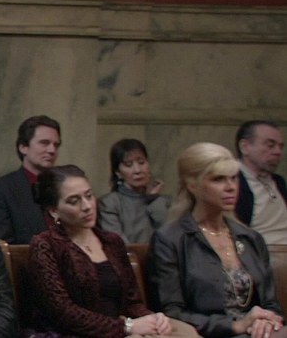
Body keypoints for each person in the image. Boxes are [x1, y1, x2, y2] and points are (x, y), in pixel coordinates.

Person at [24, 164, 197, 338]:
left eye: (89, 196)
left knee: (184, 331)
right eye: (74, 201)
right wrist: (126, 327)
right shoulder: (45, 245)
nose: (87, 206)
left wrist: (153, 319)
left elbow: (132, 303)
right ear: (54, 211)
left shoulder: (112, 242)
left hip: (121, 324)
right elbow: (63, 313)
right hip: (73, 332)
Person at [149, 142, 286, 338]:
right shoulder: (170, 239)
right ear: (192, 185)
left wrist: (267, 319)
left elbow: (270, 303)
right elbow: (172, 313)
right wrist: (235, 326)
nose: (231, 187)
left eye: (234, 178)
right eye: (219, 179)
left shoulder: (251, 238)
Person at [0, 115, 61, 243]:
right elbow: (4, 243)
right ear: (23, 148)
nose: (52, 150)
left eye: (56, 145)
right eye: (44, 143)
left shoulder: (65, 186)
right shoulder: (1, 189)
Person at [98, 138, 171, 244]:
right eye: (129, 164)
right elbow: (118, 244)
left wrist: (153, 199)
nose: (137, 170)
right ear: (118, 173)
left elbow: (170, 236)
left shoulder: (164, 201)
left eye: (141, 162)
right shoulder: (109, 203)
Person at [234, 120, 287, 245]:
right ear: (244, 147)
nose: (278, 152)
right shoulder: (231, 182)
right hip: (258, 251)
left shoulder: (278, 181)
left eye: (281, 146)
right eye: (270, 145)